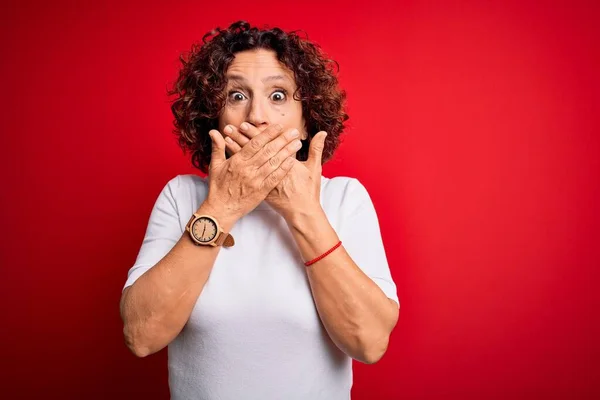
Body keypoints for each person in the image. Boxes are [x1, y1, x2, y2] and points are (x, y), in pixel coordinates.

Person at [119, 20, 400, 400]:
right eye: (236, 95)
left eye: (279, 96)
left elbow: (369, 343)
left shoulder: (345, 199)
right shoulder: (181, 197)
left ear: (306, 120)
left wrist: (303, 212)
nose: (257, 116)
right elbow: (141, 336)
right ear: (213, 118)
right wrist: (223, 206)